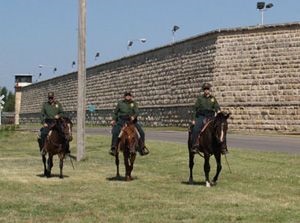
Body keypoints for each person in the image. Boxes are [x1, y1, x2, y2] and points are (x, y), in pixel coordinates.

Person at [109, 91, 149, 156]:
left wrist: (134, 116)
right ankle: (114, 148)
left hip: (131, 121)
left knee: (141, 132)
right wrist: (113, 120)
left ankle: (142, 148)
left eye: (129, 95)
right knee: (116, 132)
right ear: (124, 96)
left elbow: (137, 112)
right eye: (127, 95)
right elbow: (115, 113)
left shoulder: (134, 103)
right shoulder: (120, 103)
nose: (128, 96)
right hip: (121, 120)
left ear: (131, 96)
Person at [191, 83, 220, 153]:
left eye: (208, 89)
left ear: (210, 90)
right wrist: (193, 119)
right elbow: (195, 109)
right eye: (205, 89)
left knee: (220, 128)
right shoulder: (200, 98)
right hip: (202, 116)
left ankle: (221, 146)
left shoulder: (213, 98)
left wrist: (218, 112)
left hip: (211, 116)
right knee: (196, 129)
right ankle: (195, 145)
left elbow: (217, 107)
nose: (206, 91)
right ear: (203, 90)